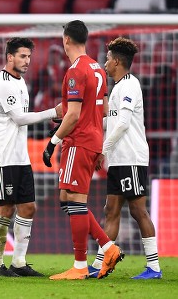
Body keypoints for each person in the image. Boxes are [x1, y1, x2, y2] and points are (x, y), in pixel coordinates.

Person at [42, 20, 124, 280]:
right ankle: (108, 247)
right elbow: (101, 108)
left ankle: (79, 266)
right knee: (67, 198)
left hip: (78, 141)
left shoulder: (76, 71)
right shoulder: (98, 68)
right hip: (91, 139)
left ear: (66, 40)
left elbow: (74, 114)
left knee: (75, 201)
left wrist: (53, 141)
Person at [0, 37, 61, 278]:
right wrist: (53, 112)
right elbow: (19, 118)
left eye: (29, 56)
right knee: (5, 208)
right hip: (2, 157)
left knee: (28, 207)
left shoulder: (21, 82)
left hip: (20, 156)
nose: (27, 61)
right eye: (22, 56)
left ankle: (18, 261)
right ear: (10, 57)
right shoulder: (2, 82)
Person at [88, 37, 162, 279]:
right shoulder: (118, 87)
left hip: (131, 157)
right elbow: (111, 121)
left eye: (108, 59)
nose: (105, 63)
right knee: (111, 210)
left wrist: (103, 149)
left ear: (117, 61)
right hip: (119, 160)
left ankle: (154, 267)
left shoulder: (130, 85)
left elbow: (123, 123)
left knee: (138, 211)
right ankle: (102, 262)